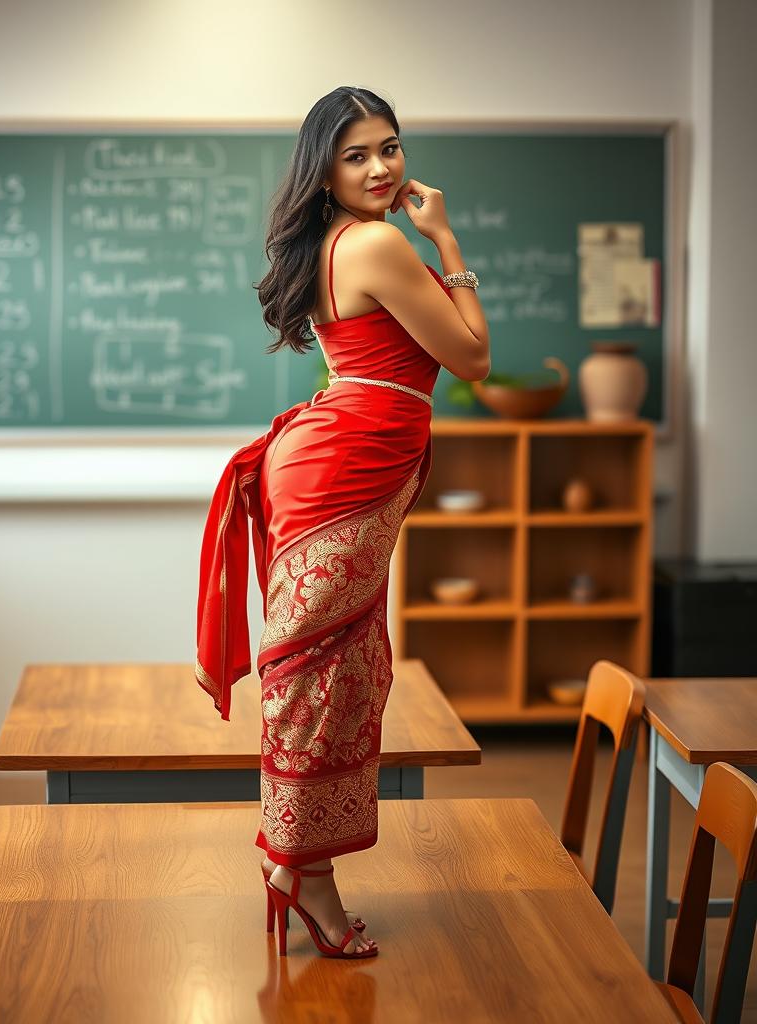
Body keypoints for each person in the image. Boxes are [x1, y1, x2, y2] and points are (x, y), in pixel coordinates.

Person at [196, 86, 490, 959]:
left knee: (338, 667)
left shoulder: (330, 243)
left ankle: (301, 862)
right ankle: (302, 868)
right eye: (357, 154)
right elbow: (472, 358)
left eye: (390, 148)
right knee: (323, 675)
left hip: (336, 456)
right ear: (324, 168)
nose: (380, 168)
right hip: (346, 467)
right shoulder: (379, 243)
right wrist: (447, 240)